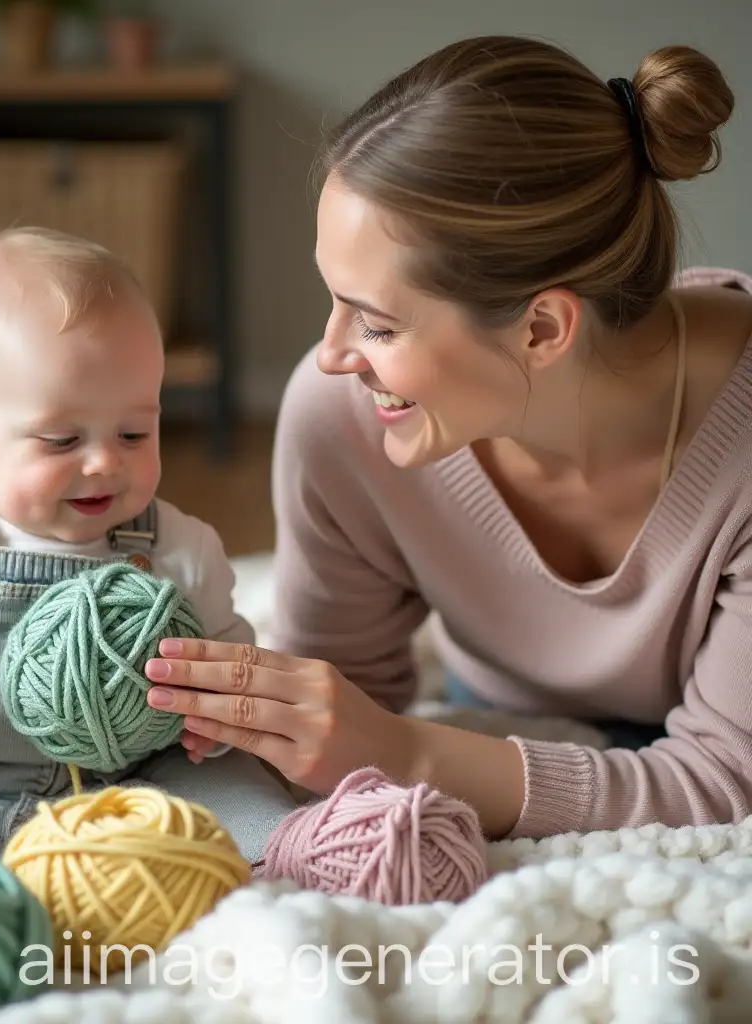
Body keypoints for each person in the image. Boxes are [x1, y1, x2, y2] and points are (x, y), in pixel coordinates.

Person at [145, 35, 752, 842]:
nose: (331, 354)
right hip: (493, 717)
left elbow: (722, 785)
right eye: (336, 302)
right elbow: (336, 702)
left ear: (542, 327)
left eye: (379, 323)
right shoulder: (341, 419)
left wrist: (405, 753)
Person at [0, 226, 296, 872]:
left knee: (243, 790)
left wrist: (212, 722)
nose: (103, 462)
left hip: (132, 785)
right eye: (62, 440)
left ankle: (287, 858)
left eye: (133, 431)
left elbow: (226, 654)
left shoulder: (181, 548)